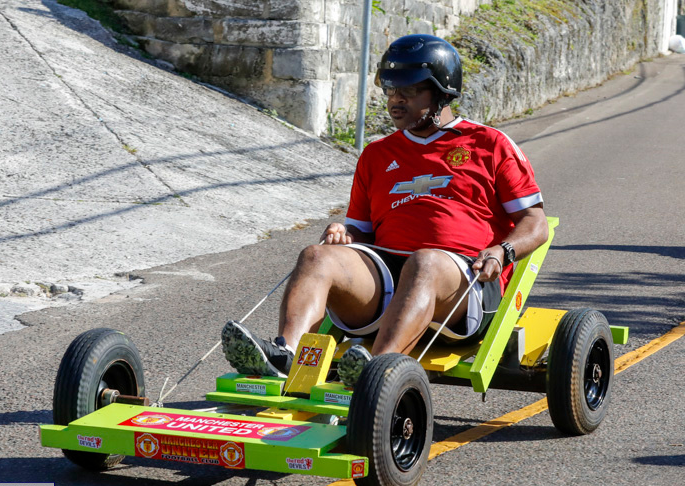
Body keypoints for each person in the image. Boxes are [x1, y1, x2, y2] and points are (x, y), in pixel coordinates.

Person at [221, 34, 549, 386]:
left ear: (442, 92)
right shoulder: (376, 155)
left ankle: (374, 373)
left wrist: (503, 250)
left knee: (424, 262)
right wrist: (345, 235)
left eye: (409, 90)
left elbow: (536, 223)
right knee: (316, 256)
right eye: (391, 90)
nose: (396, 99)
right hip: (387, 278)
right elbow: (361, 233)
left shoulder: (489, 144)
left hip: (464, 285)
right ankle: (287, 357)